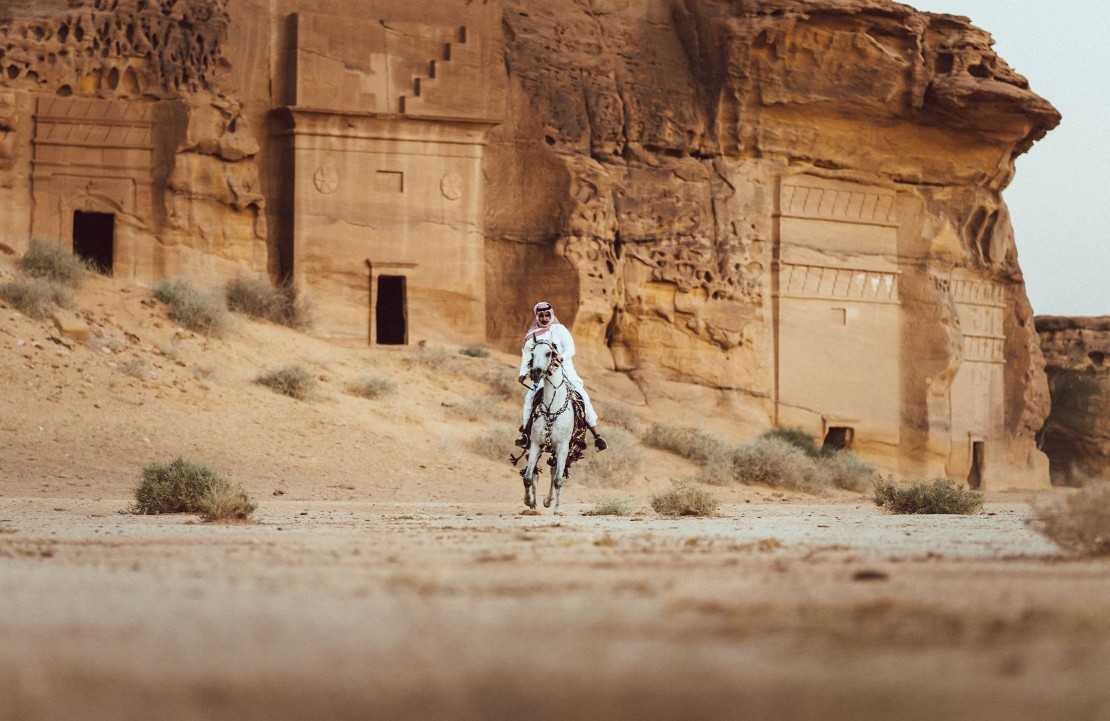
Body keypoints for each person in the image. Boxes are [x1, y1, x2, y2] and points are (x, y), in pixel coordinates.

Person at [515, 301, 607, 451]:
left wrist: (560, 358)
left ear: (551, 314)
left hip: (566, 372)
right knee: (529, 399)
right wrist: (523, 373)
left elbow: (571, 349)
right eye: (541, 315)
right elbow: (526, 355)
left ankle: (597, 436)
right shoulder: (532, 335)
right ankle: (525, 434)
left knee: (583, 397)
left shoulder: (559, 329)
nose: (544, 318)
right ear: (537, 316)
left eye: (547, 315)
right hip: (542, 375)